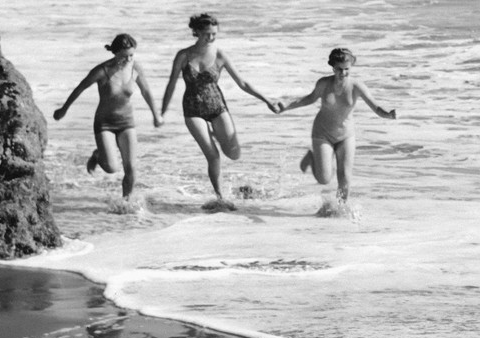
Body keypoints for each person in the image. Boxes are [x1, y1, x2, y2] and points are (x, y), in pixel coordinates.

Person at [161, 12, 279, 205]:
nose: (211, 37)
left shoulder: (220, 55)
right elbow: (171, 83)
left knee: (233, 154)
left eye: (214, 34)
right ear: (196, 32)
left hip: (217, 106)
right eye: (207, 33)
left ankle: (216, 134)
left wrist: (266, 100)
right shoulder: (184, 55)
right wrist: (162, 112)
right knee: (213, 156)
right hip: (192, 109)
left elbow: (242, 82)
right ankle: (220, 197)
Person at [278, 47, 396, 204]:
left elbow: (376, 107)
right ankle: (311, 158)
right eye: (339, 69)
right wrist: (285, 106)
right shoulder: (324, 83)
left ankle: (341, 209)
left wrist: (388, 114)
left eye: (347, 69)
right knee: (324, 179)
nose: (343, 73)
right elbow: (308, 99)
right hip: (323, 134)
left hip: (346, 135)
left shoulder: (356, 86)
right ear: (333, 68)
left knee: (345, 176)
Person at [53, 33, 162, 200]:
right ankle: (98, 155)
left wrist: (156, 115)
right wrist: (64, 109)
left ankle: (126, 201)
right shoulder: (102, 71)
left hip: (127, 122)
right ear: (115, 53)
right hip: (105, 124)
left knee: (131, 167)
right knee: (112, 168)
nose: (128, 59)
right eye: (124, 56)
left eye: (132, 55)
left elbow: (146, 91)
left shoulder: (135, 68)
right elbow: (80, 88)